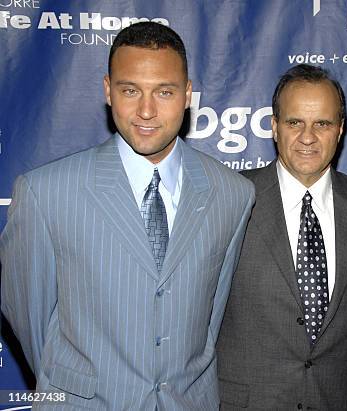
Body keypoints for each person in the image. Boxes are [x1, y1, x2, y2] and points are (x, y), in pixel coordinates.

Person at [0, 22, 254, 409]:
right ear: (107, 91)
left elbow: (210, 318)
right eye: (130, 90)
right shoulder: (46, 192)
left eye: (164, 92)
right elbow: (29, 318)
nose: (147, 111)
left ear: (187, 95)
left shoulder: (232, 193)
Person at [216, 64, 347, 410]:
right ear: (274, 127)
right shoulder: (229, 199)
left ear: (340, 129)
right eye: (294, 122)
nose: (308, 137)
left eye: (322, 124)